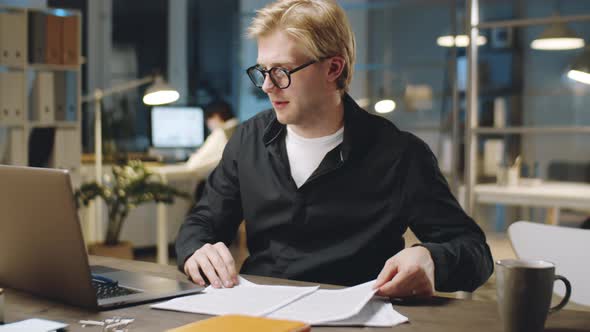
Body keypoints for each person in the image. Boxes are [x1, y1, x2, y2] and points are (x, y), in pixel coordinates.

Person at [176, 0, 493, 298]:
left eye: (282, 71)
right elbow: (202, 221)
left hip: (357, 319)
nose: (268, 86)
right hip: (259, 314)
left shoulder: (400, 155)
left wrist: (430, 258)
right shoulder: (248, 140)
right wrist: (196, 249)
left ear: (333, 69)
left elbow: (474, 252)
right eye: (263, 71)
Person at [184, 100, 238, 190]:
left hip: (227, 191)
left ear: (216, 116)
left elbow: (193, 165)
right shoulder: (244, 129)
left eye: (208, 121)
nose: (208, 125)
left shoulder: (221, 133)